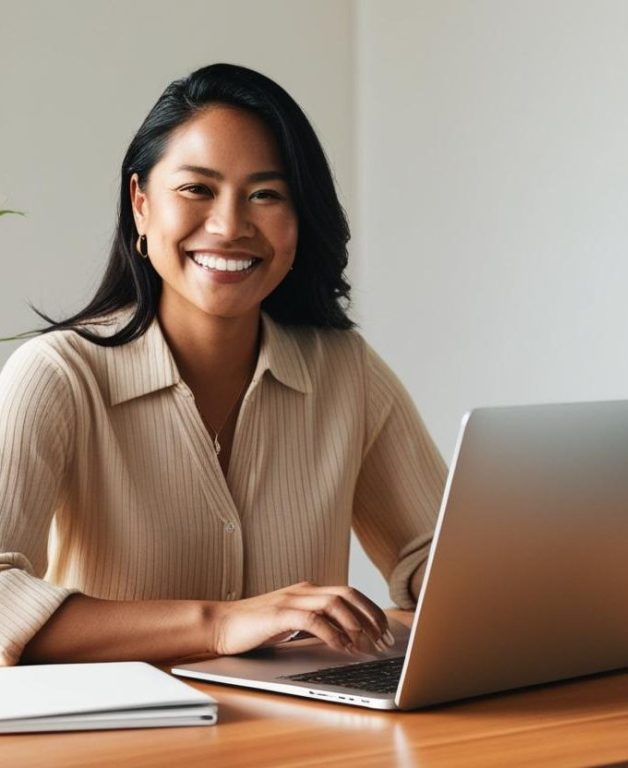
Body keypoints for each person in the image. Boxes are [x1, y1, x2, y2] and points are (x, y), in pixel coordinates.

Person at [0, 63, 446, 667]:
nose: (230, 226)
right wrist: (219, 624)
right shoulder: (57, 375)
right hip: (120, 746)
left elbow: (433, 555)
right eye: (197, 189)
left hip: (306, 738)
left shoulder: (346, 370)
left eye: (266, 194)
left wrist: (507, 583)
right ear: (141, 204)